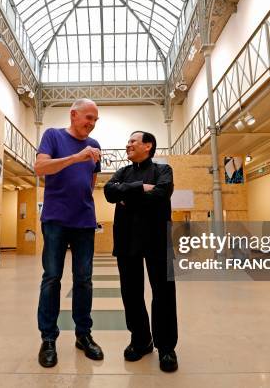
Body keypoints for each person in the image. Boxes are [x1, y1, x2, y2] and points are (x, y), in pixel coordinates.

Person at [35, 98, 103, 368]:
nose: (92, 124)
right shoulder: (52, 135)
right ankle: (48, 339)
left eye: (95, 120)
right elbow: (40, 169)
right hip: (55, 220)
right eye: (88, 118)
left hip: (84, 221)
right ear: (73, 114)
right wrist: (76, 157)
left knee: (84, 280)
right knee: (52, 278)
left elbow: (92, 179)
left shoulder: (95, 145)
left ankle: (83, 335)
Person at [103, 131, 179, 372]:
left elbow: (162, 193)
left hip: (157, 240)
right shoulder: (122, 172)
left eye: (133, 141)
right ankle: (141, 341)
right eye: (128, 141)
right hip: (127, 241)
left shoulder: (163, 171)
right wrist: (140, 187)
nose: (128, 145)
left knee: (164, 294)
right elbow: (109, 192)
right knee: (131, 294)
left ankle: (166, 348)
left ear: (148, 146)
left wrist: (128, 196)